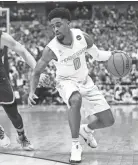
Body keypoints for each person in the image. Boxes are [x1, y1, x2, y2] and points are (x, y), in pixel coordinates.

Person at [28, 7, 115, 163]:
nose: (55, 29)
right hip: (65, 82)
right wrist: (31, 92)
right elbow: (36, 72)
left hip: (85, 81)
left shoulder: (82, 37)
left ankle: (86, 130)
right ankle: (75, 145)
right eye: (53, 26)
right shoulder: (51, 49)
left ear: (68, 23)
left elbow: (98, 55)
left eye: (59, 24)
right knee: (75, 100)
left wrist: (114, 54)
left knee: (108, 120)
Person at [0, 29, 36, 151]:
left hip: (1, 80)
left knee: (13, 113)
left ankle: (22, 137)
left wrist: (37, 70)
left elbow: (23, 52)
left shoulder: (3, 37)